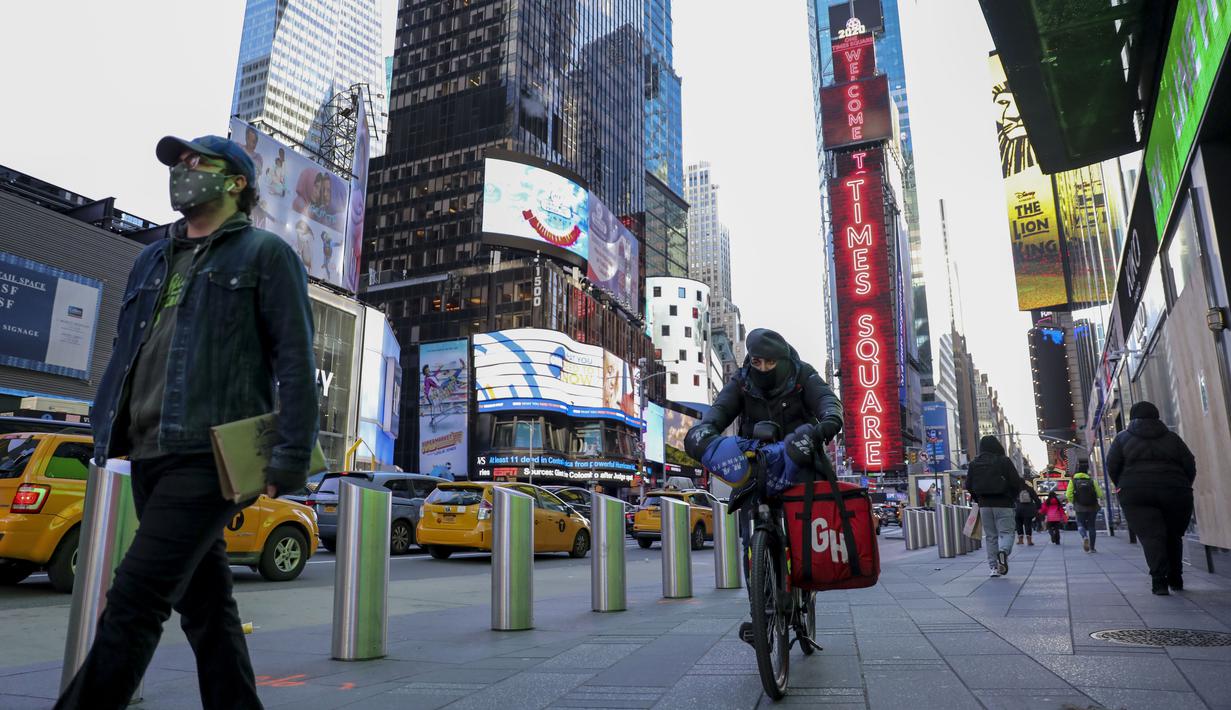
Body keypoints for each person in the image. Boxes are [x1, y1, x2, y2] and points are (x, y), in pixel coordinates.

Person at [56, 135, 318, 710]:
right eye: (178, 163)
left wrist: (289, 457)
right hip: (148, 450)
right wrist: (105, 428)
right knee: (206, 608)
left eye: (198, 162)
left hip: (209, 455)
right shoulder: (151, 258)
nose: (183, 170)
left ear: (236, 182)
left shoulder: (265, 255)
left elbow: (297, 363)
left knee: (135, 598)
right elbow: (129, 351)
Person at [683, 328, 842, 642]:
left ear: (781, 359)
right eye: (758, 362)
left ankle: (803, 588)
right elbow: (719, 410)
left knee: (802, 532)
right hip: (758, 463)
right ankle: (762, 609)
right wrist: (704, 430)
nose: (764, 368)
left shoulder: (803, 375)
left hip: (800, 461)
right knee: (750, 539)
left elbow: (828, 402)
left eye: (771, 362)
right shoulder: (741, 381)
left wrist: (826, 423)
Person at [1107, 400, 1197, 595]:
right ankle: (1176, 577)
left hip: (1136, 493)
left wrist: (1123, 485)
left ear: (1132, 418)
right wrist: (1183, 484)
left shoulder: (1122, 438)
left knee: (1151, 536)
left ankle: (1159, 581)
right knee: (1174, 535)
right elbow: (1189, 464)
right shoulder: (1173, 438)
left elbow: (1112, 466)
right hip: (1175, 490)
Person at [966, 435, 1029, 577]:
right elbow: (1015, 482)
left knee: (990, 536)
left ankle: (993, 568)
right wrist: (1011, 496)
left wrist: (978, 498)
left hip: (984, 505)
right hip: (1004, 503)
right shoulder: (1004, 461)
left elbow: (968, 485)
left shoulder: (974, 463)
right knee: (1007, 533)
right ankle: (1003, 552)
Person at [1067, 467, 1104, 553]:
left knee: (1080, 524)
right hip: (1093, 506)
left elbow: (1068, 494)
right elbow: (1100, 494)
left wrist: (1074, 502)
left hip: (1079, 507)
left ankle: (1084, 537)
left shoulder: (1073, 481)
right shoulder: (1092, 481)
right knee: (1092, 526)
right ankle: (1092, 548)